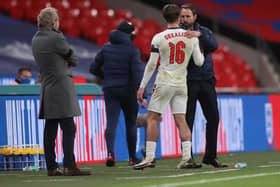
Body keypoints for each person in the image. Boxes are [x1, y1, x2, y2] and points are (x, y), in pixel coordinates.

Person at [133, 4, 204, 170]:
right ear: (179, 17)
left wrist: (142, 86)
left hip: (164, 81)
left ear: (164, 18)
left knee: (152, 118)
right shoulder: (191, 36)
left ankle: (149, 157)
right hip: (181, 83)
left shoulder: (158, 38)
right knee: (181, 120)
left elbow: (151, 65)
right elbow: (199, 62)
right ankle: (186, 157)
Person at [31, 7, 91, 176]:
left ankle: (51, 166)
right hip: (61, 87)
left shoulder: (35, 39)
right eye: (57, 20)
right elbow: (74, 58)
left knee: (50, 129)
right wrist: (65, 58)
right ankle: (69, 165)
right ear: (53, 22)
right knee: (69, 127)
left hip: (47, 86)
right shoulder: (57, 38)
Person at [90, 21, 143, 167]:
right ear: (129, 34)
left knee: (111, 122)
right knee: (130, 123)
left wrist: (105, 77)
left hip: (110, 89)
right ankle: (133, 157)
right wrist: (139, 90)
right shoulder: (133, 50)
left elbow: (93, 68)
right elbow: (136, 73)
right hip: (128, 90)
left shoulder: (106, 48)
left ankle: (110, 154)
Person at [180, 3, 227, 168]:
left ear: (195, 16)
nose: (185, 19)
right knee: (188, 120)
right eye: (182, 16)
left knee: (213, 117)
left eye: (187, 16)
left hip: (206, 80)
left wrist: (199, 35)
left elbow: (214, 46)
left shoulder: (204, 31)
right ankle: (188, 157)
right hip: (188, 81)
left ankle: (210, 156)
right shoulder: (178, 33)